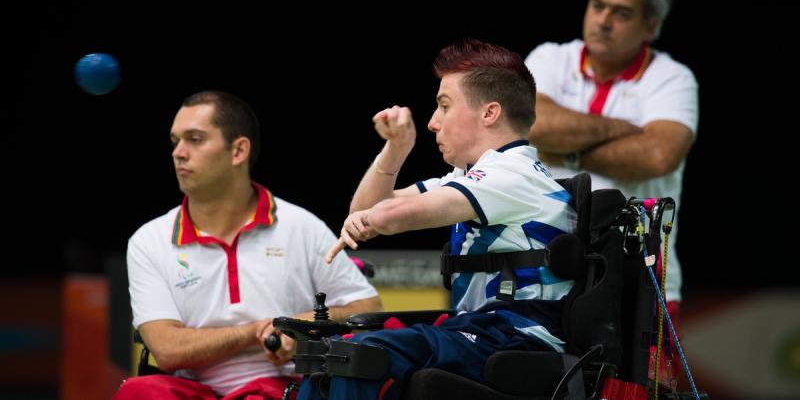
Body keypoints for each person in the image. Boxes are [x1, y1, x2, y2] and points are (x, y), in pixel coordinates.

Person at [298, 39, 577, 400]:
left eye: (444, 106)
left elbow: (394, 215)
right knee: (333, 353)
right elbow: (365, 208)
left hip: (518, 336)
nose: (432, 123)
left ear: (489, 113)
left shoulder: (514, 173)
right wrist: (396, 148)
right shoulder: (470, 176)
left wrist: (378, 217)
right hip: (480, 331)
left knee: (360, 356)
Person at [113, 90, 382, 400]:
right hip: (192, 389)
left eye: (195, 139)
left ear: (238, 150)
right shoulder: (149, 240)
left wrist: (298, 329)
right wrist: (260, 329)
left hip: (280, 387)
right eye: (176, 141)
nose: (179, 152)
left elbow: (367, 308)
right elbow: (167, 349)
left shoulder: (300, 226)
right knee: (139, 390)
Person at [523, 0, 697, 385]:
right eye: (597, 5)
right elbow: (533, 124)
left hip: (643, 280)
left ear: (651, 26)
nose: (603, 20)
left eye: (621, 13)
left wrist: (567, 151)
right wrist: (623, 131)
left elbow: (658, 155)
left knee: (639, 393)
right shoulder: (549, 58)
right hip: (549, 271)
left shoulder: (673, 78)